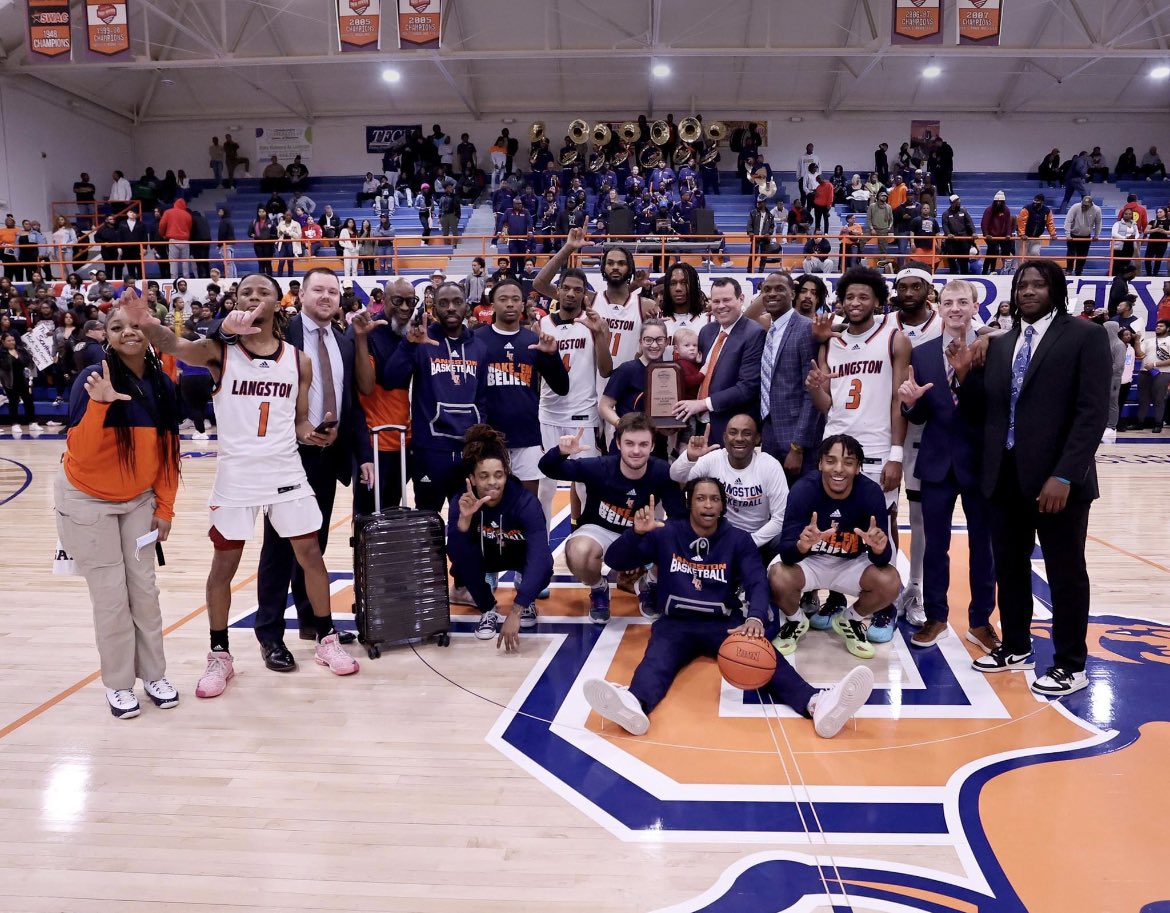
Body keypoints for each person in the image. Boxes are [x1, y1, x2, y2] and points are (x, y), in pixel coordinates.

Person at [126, 273, 362, 694]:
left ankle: (326, 640)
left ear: (278, 302)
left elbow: (301, 420)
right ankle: (220, 655)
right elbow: (175, 346)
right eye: (246, 291)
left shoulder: (298, 360)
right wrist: (146, 322)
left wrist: (314, 433)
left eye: (263, 291)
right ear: (237, 299)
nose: (254, 296)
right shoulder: (220, 350)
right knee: (224, 566)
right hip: (237, 473)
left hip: (286, 469)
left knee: (310, 554)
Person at [583, 476, 874, 740]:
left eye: (714, 499)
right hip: (676, 623)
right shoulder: (665, 533)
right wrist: (636, 534)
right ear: (689, 503)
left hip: (723, 624)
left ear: (723, 506)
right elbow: (615, 560)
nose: (708, 505)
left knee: (763, 658)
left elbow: (757, 581)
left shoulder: (738, 539)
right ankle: (635, 704)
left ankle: (817, 703)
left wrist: (756, 618)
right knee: (655, 663)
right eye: (700, 498)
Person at [950, 259, 1111, 695]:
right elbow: (989, 413)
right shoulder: (1003, 344)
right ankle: (1017, 645)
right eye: (1022, 285)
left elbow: (1092, 412)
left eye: (1039, 285)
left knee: (1065, 573)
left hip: (1058, 483)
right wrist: (965, 379)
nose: (1028, 292)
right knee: (1010, 568)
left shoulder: (1085, 335)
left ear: (1056, 290)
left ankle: (1071, 664)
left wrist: (1065, 475)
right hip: (1004, 478)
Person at [53, 299, 181, 717]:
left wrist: (165, 508)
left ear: (149, 332)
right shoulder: (95, 377)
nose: (128, 332)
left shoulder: (163, 384)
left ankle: (155, 675)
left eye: (135, 326)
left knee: (145, 592)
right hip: (87, 500)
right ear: (105, 336)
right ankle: (119, 684)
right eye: (116, 327)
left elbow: (168, 453)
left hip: (139, 500)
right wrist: (101, 405)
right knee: (111, 597)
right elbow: (82, 454)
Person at [804, 267, 910, 643]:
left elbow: (900, 399)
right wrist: (816, 387)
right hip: (835, 445)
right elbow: (825, 402)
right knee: (841, 523)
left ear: (878, 301)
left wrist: (896, 454)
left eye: (863, 296)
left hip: (879, 445)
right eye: (849, 297)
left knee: (885, 521)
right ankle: (835, 595)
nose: (855, 303)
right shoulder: (831, 341)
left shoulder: (894, 338)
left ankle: (885, 604)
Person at [897, 280, 998, 651]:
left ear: (975, 307)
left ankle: (981, 621)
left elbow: (993, 406)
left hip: (979, 461)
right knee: (935, 545)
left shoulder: (994, 347)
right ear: (938, 308)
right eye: (948, 302)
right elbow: (922, 410)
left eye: (962, 302)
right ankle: (936, 617)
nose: (955, 308)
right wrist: (910, 403)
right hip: (937, 459)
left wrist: (970, 374)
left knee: (983, 547)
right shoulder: (922, 354)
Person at [537, 412, 685, 622]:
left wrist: (658, 538)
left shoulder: (662, 472)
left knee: (676, 539)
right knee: (578, 552)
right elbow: (547, 468)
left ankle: (649, 583)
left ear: (652, 446)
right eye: (629, 443)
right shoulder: (600, 467)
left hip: (644, 533)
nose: (636, 450)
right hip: (600, 530)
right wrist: (560, 452)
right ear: (618, 443)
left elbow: (679, 517)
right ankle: (599, 588)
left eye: (643, 444)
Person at [767, 434, 902, 660]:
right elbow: (786, 552)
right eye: (831, 461)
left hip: (851, 564)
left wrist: (879, 549)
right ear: (820, 463)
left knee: (890, 581)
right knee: (778, 576)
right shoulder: (803, 490)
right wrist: (802, 545)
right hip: (810, 562)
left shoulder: (870, 493)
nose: (838, 469)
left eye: (848, 462)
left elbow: (883, 558)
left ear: (858, 467)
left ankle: (852, 619)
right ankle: (795, 621)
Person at [383, 281, 488, 512]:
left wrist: (481, 442)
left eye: (457, 302)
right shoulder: (420, 341)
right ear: (433, 309)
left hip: (467, 451)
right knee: (429, 522)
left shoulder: (479, 347)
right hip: (430, 449)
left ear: (467, 307)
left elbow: (482, 400)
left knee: (466, 523)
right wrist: (408, 346)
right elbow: (391, 379)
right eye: (444, 303)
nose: (451, 308)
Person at [447, 425, 553, 644]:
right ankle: (487, 608)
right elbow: (455, 554)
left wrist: (517, 608)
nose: (492, 483)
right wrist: (464, 521)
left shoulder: (526, 504)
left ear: (507, 474)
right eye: (484, 476)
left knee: (543, 567)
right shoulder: (462, 502)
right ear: (473, 479)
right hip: (485, 557)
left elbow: (540, 556)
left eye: (498, 475)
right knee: (462, 559)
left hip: (517, 557)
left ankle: (527, 600)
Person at [476, 278, 569, 495]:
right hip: (488, 438)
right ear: (493, 304)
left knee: (526, 503)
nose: (510, 304)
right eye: (503, 299)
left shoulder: (534, 341)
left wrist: (552, 355)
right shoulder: (477, 340)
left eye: (515, 299)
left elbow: (562, 387)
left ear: (523, 304)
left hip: (526, 437)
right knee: (489, 502)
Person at [669, 414, 789, 562]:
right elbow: (676, 476)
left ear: (757, 439)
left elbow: (781, 518)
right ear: (725, 437)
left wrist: (747, 542)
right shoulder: (714, 459)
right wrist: (690, 457)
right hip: (720, 535)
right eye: (733, 432)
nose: (739, 438)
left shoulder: (770, 465)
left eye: (747, 433)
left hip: (759, 538)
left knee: (786, 539)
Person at [747, 272, 828, 481]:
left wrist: (797, 446)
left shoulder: (804, 329)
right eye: (767, 290)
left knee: (799, 504)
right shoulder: (767, 329)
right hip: (770, 431)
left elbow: (811, 392)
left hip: (796, 439)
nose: (772, 294)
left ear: (792, 293)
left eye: (779, 289)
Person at [672, 277, 764, 446]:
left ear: (741, 299)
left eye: (727, 300)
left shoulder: (754, 333)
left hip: (731, 428)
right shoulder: (707, 331)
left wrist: (703, 404)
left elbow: (748, 387)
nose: (721, 306)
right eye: (716, 301)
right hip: (698, 423)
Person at [1136, 320, 1170, 432]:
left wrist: (1154, 364)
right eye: (1157, 326)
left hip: (1162, 372)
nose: (1158, 327)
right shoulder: (1148, 340)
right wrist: (1137, 340)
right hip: (1144, 371)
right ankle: (1140, 422)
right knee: (1143, 398)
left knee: (1159, 399)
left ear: (1168, 328)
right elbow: (1140, 355)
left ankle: (1158, 423)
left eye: (1161, 326)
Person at [1064, 194, 1102, 277]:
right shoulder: (1075, 207)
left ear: (1091, 204)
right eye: (1083, 204)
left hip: (1086, 236)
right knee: (1071, 254)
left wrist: (1096, 235)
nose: (1084, 206)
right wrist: (1067, 234)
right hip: (1073, 235)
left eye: (1086, 205)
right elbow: (1068, 220)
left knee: (1082, 255)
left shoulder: (1097, 210)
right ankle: (1069, 270)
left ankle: (1079, 271)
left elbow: (1098, 223)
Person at [1017, 194, 1056, 259]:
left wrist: (1053, 234)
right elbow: (1021, 222)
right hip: (1023, 238)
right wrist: (1022, 234)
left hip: (1036, 237)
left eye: (1037, 202)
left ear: (1042, 202)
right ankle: (1021, 269)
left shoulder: (1047, 211)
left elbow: (1050, 223)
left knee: (1035, 254)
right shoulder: (1026, 209)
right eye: (1035, 201)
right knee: (1021, 256)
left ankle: (1033, 269)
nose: (1035, 203)